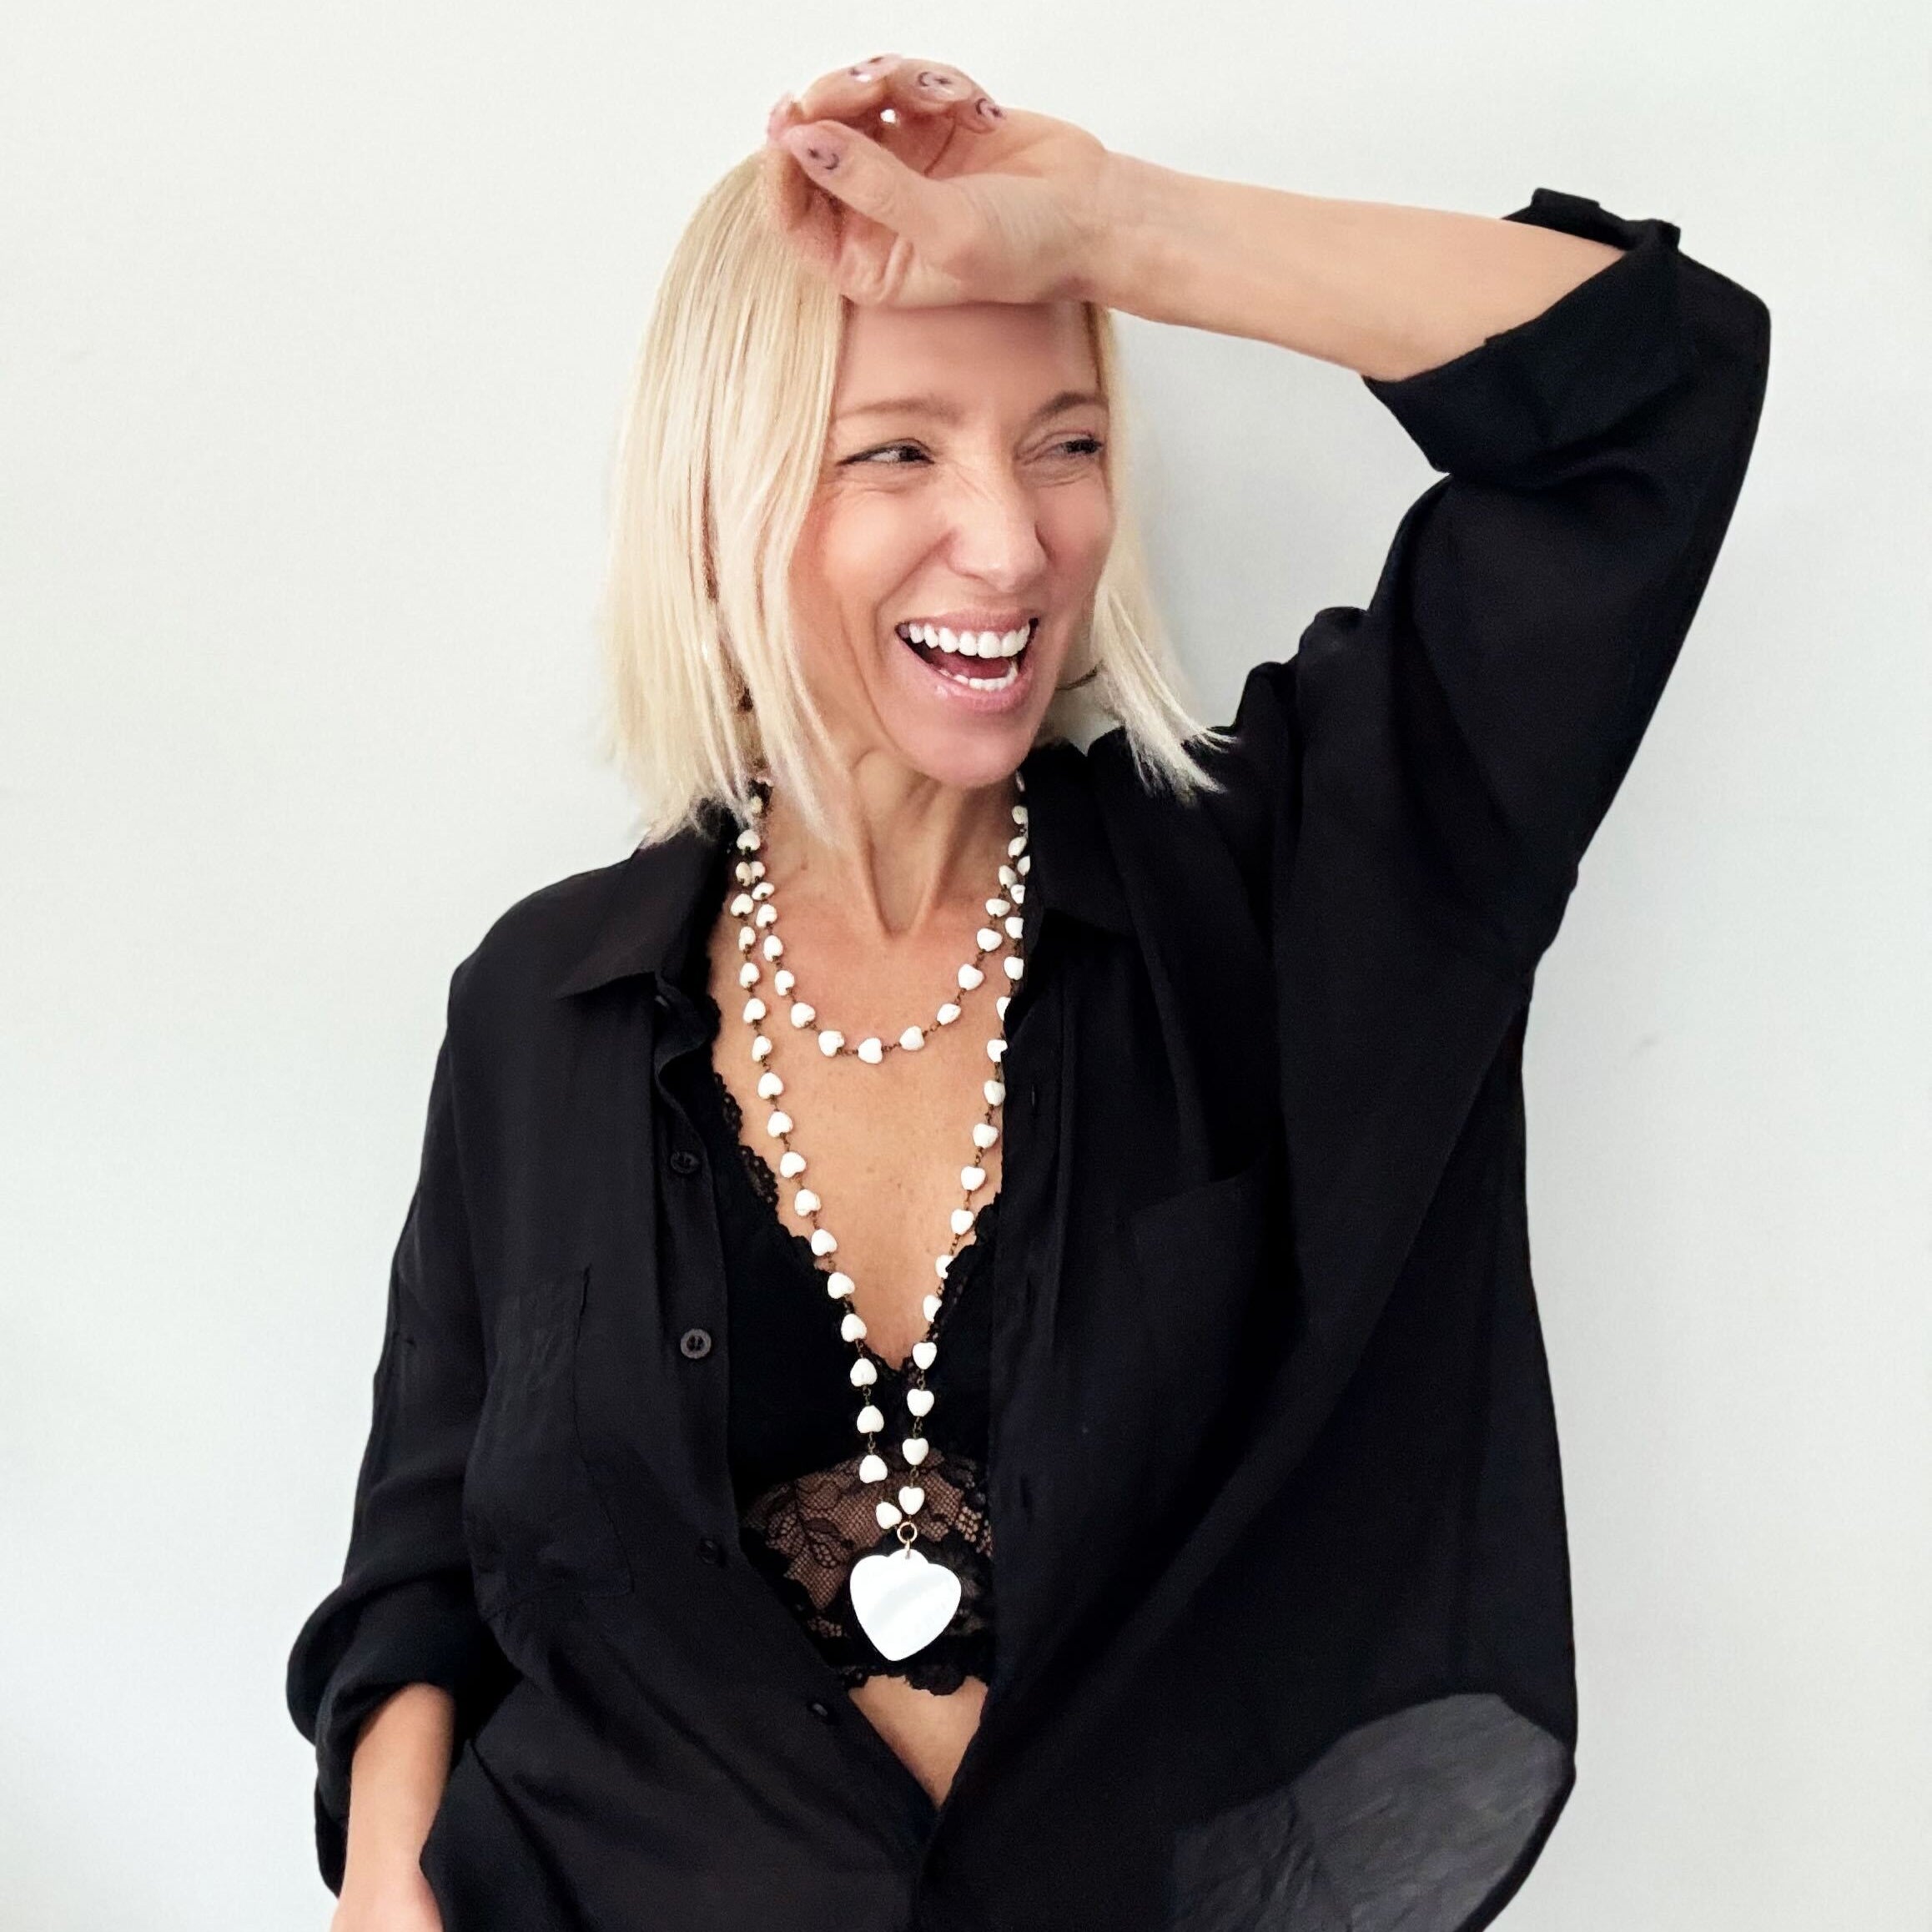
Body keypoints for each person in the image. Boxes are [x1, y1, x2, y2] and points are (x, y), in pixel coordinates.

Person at [286, 50, 1770, 1932]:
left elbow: (1655, 395)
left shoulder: (1285, 895)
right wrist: (385, 1892)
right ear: (730, 495)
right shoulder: (541, 1003)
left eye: (1063, 440)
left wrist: (1114, 229)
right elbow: (426, 1562)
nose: (1010, 540)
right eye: (898, 448)